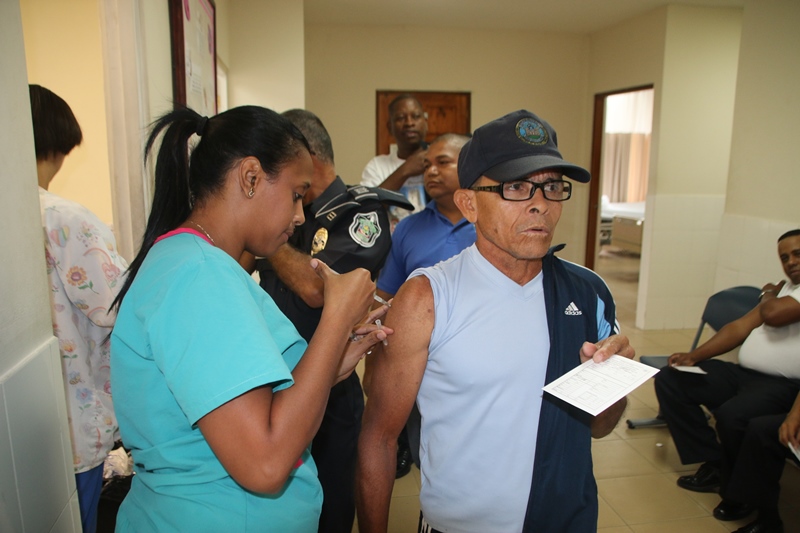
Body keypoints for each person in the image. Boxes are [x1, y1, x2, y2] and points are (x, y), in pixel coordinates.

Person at [109, 106, 388, 532]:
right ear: (251, 177)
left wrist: (331, 362)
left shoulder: (195, 262)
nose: (300, 215)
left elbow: (239, 401)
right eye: (296, 194)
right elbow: (265, 463)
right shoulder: (201, 275)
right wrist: (336, 317)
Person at [356, 109, 634, 533]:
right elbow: (379, 437)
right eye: (516, 187)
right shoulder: (429, 297)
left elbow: (600, 427)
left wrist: (613, 383)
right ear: (469, 204)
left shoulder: (585, 293)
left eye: (552, 187)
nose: (540, 204)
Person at [255, 108, 411, 533]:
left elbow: (319, 290)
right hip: (275, 381)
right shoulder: (284, 211)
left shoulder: (361, 212)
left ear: (306, 153)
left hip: (331, 390)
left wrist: (265, 240)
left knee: (330, 512)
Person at [30, 84, 129, 533]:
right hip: (75, 426)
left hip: (29, 426)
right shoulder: (64, 218)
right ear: (59, 142)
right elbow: (118, 305)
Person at [654, 229, 800, 531]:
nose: (790, 262)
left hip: (783, 385)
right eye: (784, 257)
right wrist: (695, 356)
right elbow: (738, 328)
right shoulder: (788, 288)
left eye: (797, 254)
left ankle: (740, 492)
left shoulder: (776, 295)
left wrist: (767, 294)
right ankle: (715, 464)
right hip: (744, 374)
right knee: (672, 379)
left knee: (733, 416)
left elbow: (773, 313)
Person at [365, 133, 476, 477]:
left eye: (443, 162)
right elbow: (385, 297)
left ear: (470, 166)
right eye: (426, 165)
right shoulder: (408, 228)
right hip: (419, 360)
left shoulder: (490, 226)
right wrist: (371, 356)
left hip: (477, 359)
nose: (431, 171)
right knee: (428, 452)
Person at [361, 94, 429, 224]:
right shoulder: (377, 166)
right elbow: (367, 210)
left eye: (416, 116)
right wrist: (405, 170)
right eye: (401, 118)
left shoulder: (440, 163)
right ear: (389, 127)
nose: (409, 123)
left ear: (426, 123)